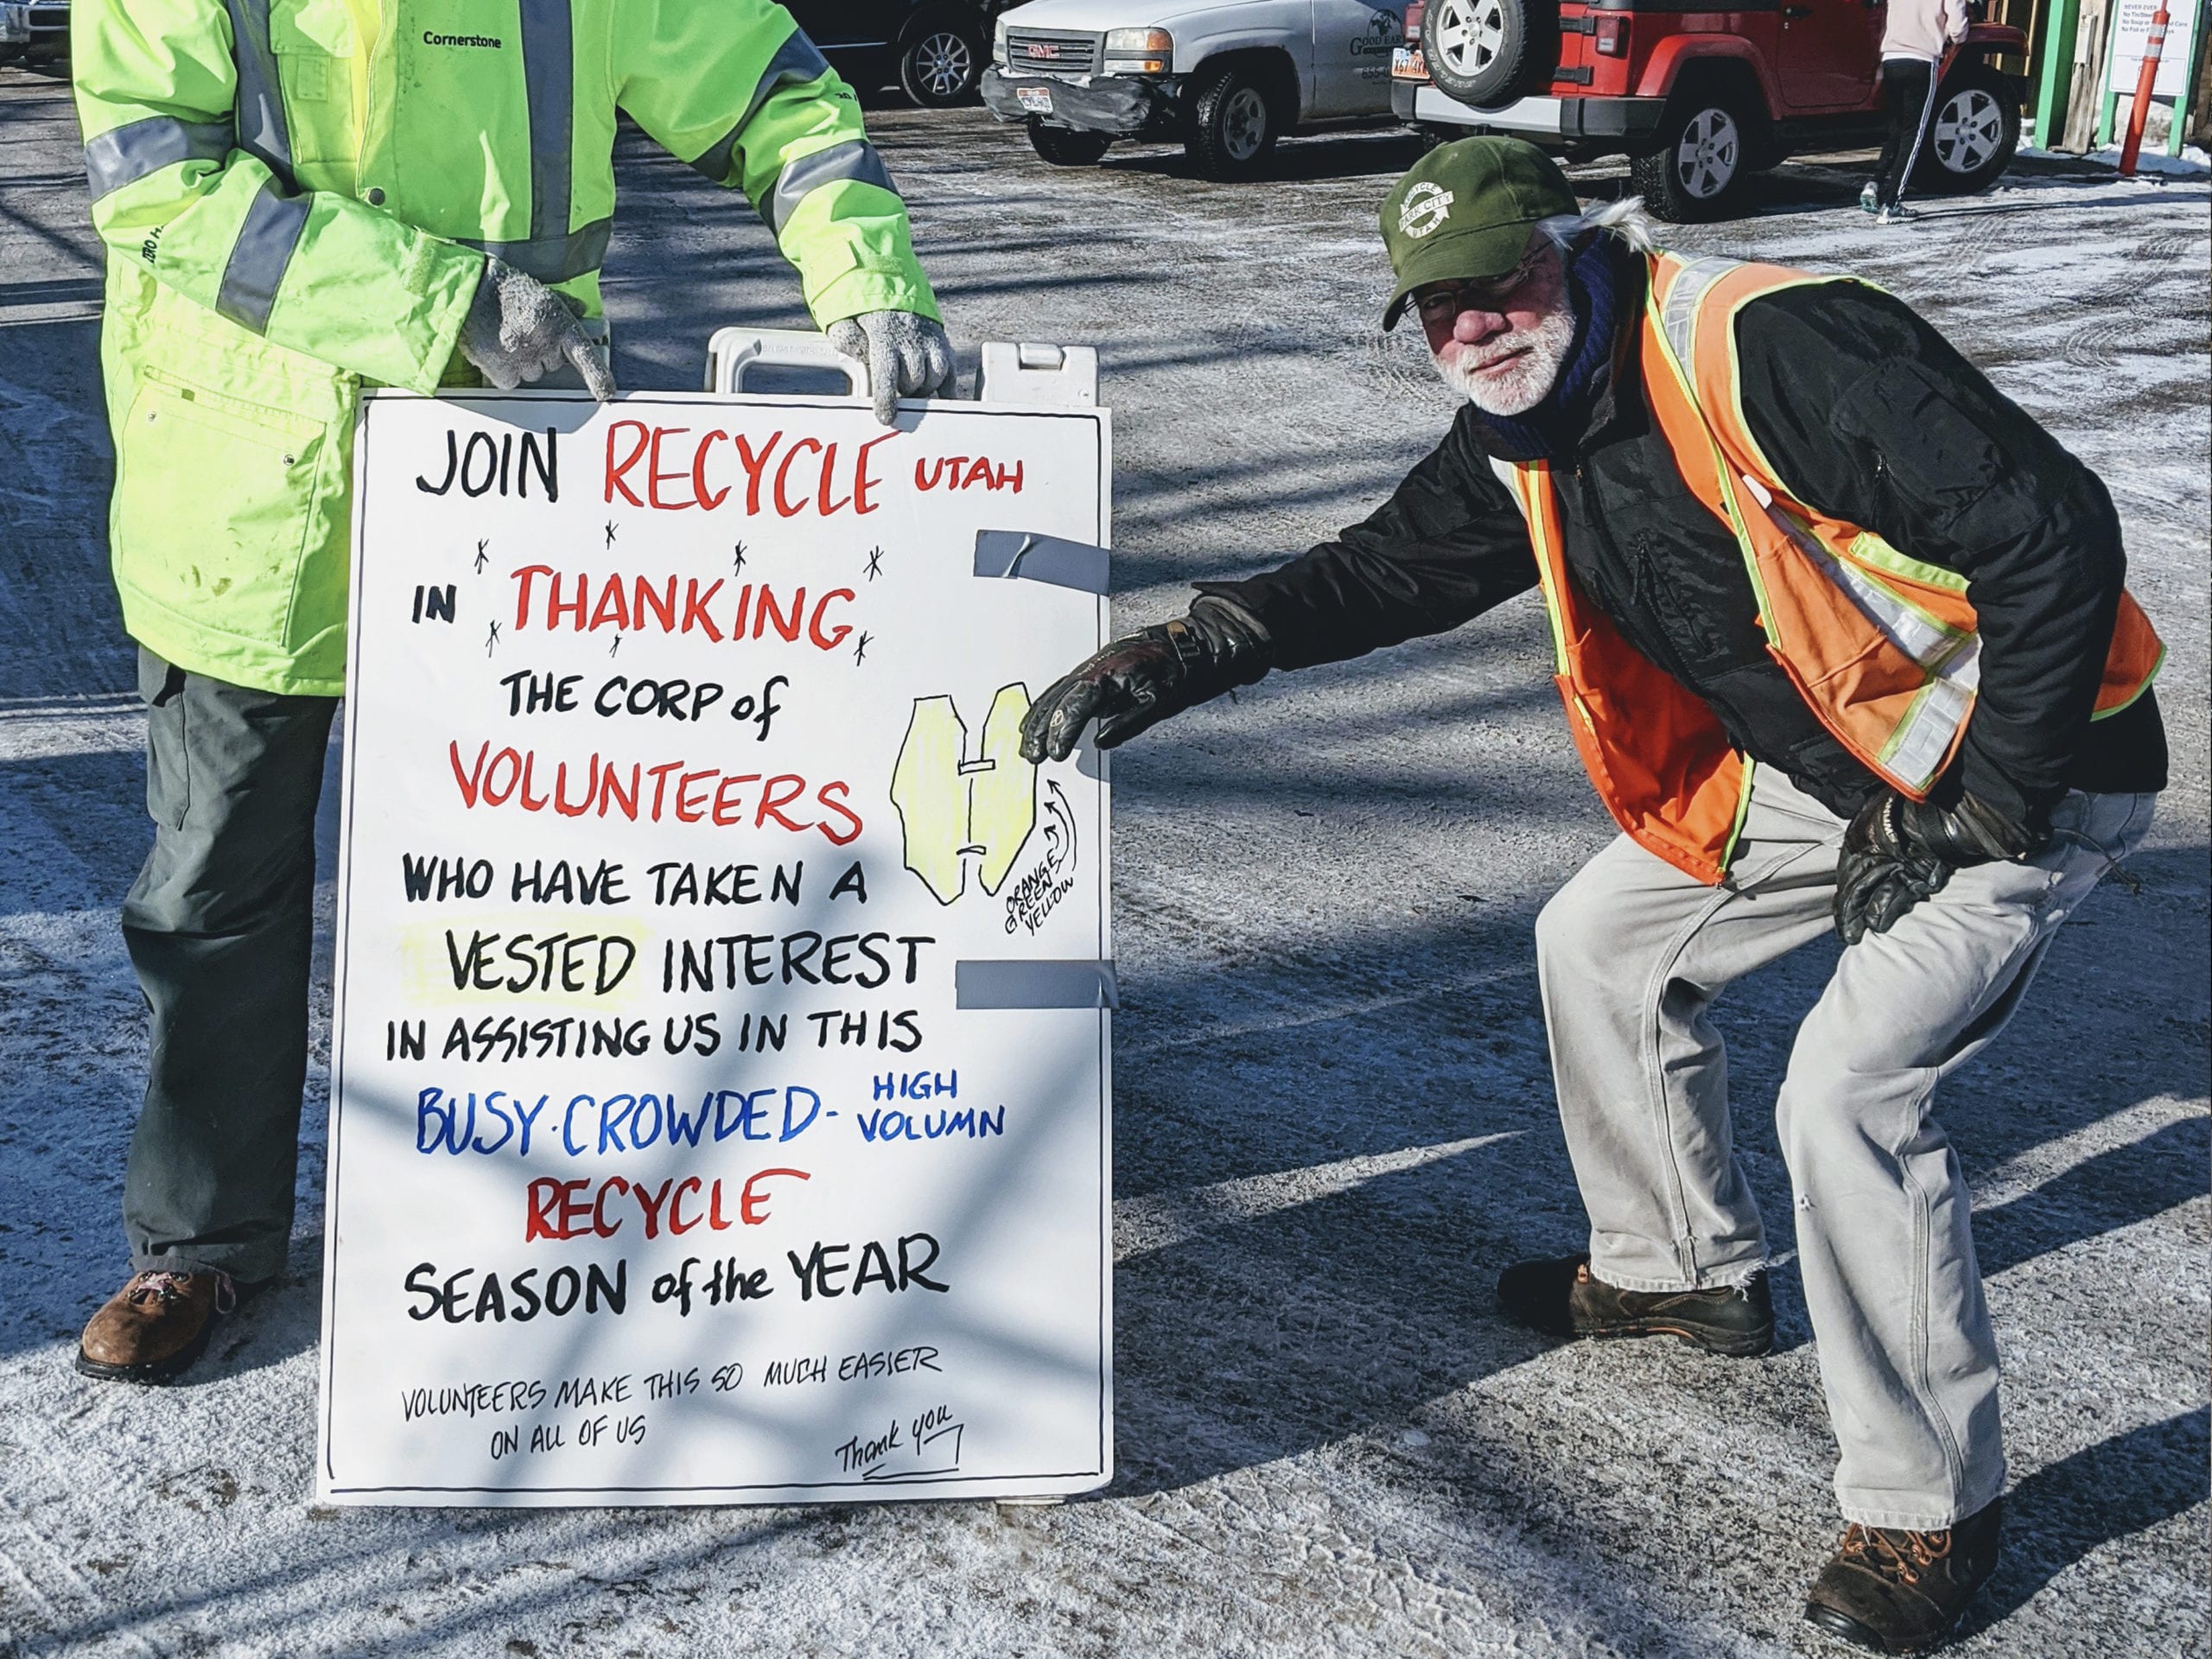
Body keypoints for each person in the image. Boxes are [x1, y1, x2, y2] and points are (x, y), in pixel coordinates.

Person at [1021, 137, 2165, 1653]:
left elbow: (2055, 530)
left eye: (1499, 287)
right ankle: (1676, 1275)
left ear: (1571, 251)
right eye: (1438, 312)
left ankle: (1925, 1505)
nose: (1475, 329)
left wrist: (1991, 803)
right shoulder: (1525, 428)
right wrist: (1196, 647)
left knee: (1846, 1094)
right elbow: (1387, 569)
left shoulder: (1766, 345)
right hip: (1847, 784)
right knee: (1597, 941)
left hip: (2026, 770)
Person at [72, 0, 955, 1386]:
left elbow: (775, 93)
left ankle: (538, 1245)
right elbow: (159, 186)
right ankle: (201, 1244)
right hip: (242, 500)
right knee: (214, 891)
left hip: (519, 515)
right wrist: (444, 299)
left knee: (537, 909)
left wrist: (866, 275)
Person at [1863, 0, 1972, 222]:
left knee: (1897, 126)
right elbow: (1958, 29)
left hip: (1892, 58)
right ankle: (1892, 202)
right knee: (1914, 133)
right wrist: (1955, 37)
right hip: (1922, 60)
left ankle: (1874, 183)